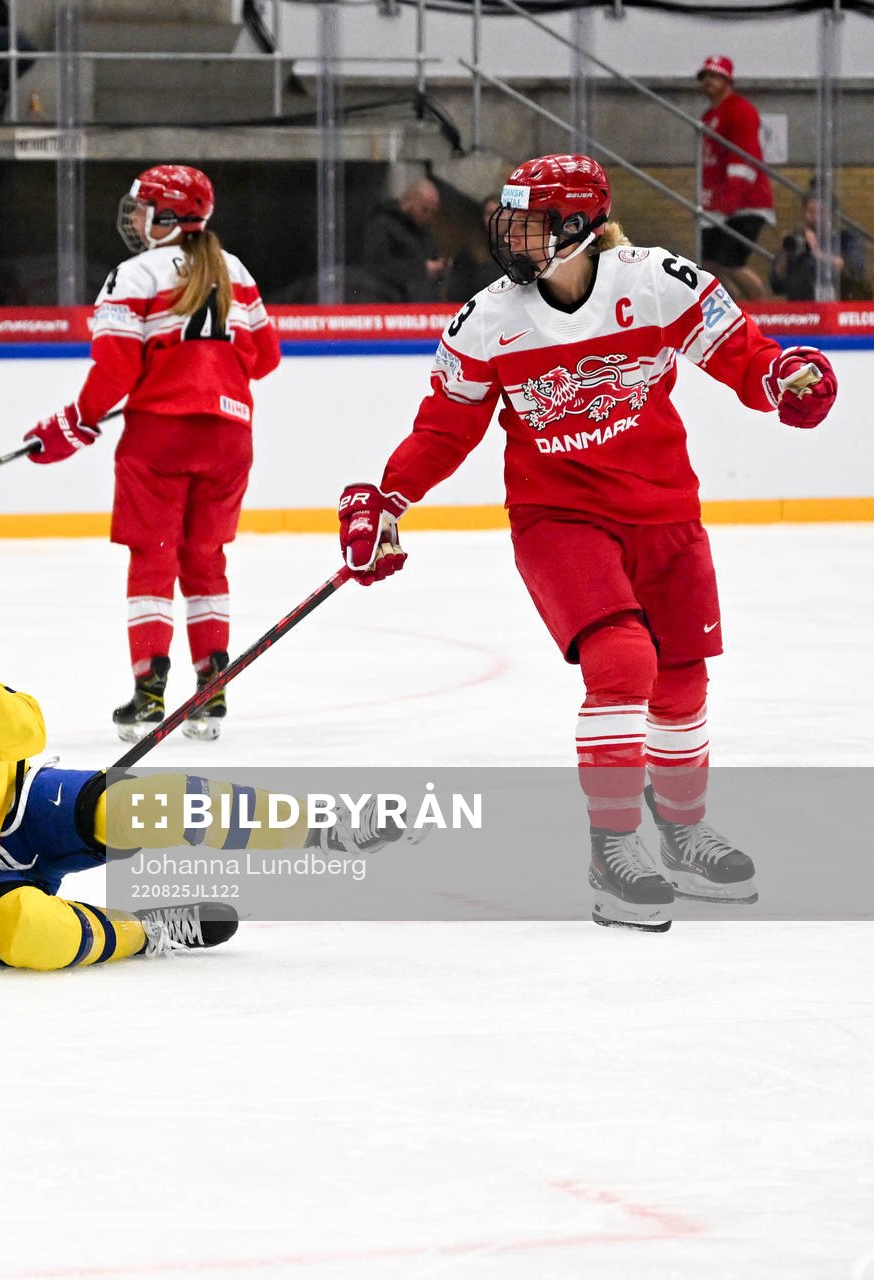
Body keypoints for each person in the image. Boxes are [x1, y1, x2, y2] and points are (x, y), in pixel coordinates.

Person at [335, 153, 838, 933]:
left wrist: (784, 380)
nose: (506, 233)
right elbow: (444, 428)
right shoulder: (489, 321)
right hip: (558, 517)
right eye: (507, 216)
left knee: (682, 683)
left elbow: (742, 358)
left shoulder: (658, 282)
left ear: (576, 227)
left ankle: (681, 827)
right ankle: (613, 849)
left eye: (526, 220)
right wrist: (388, 498)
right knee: (621, 661)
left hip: (664, 512)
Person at [0, 614, 419, 981]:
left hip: (17, 811)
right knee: (31, 937)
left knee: (136, 804)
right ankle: (149, 931)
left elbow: (28, 734)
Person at [22, 164, 281, 742]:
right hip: (231, 437)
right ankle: (211, 693)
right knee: (205, 559)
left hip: (159, 438)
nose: (135, 218)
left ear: (166, 218)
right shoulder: (234, 270)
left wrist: (73, 423)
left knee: (154, 558)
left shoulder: (134, 274)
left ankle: (148, 693)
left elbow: (117, 367)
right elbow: (265, 359)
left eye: (143, 208)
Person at [696, 55, 773, 302]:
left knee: (730, 262)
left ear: (728, 81)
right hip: (718, 205)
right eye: (705, 76)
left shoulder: (740, 111)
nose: (708, 80)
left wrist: (730, 200)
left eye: (715, 76)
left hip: (746, 204)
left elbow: (744, 160)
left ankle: (766, 312)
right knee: (709, 266)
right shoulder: (709, 116)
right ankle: (737, 312)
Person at [360, 177, 448, 303]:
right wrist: (423, 269)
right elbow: (377, 267)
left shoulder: (424, 232)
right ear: (408, 202)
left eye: (433, 212)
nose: (429, 217)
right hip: (392, 302)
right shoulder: (382, 225)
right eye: (424, 210)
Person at [770, 193, 869, 302]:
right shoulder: (796, 241)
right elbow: (777, 286)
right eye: (810, 211)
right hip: (801, 311)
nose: (814, 217)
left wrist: (817, 252)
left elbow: (854, 270)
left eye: (820, 212)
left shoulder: (846, 239)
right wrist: (785, 252)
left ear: (831, 214)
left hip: (836, 307)